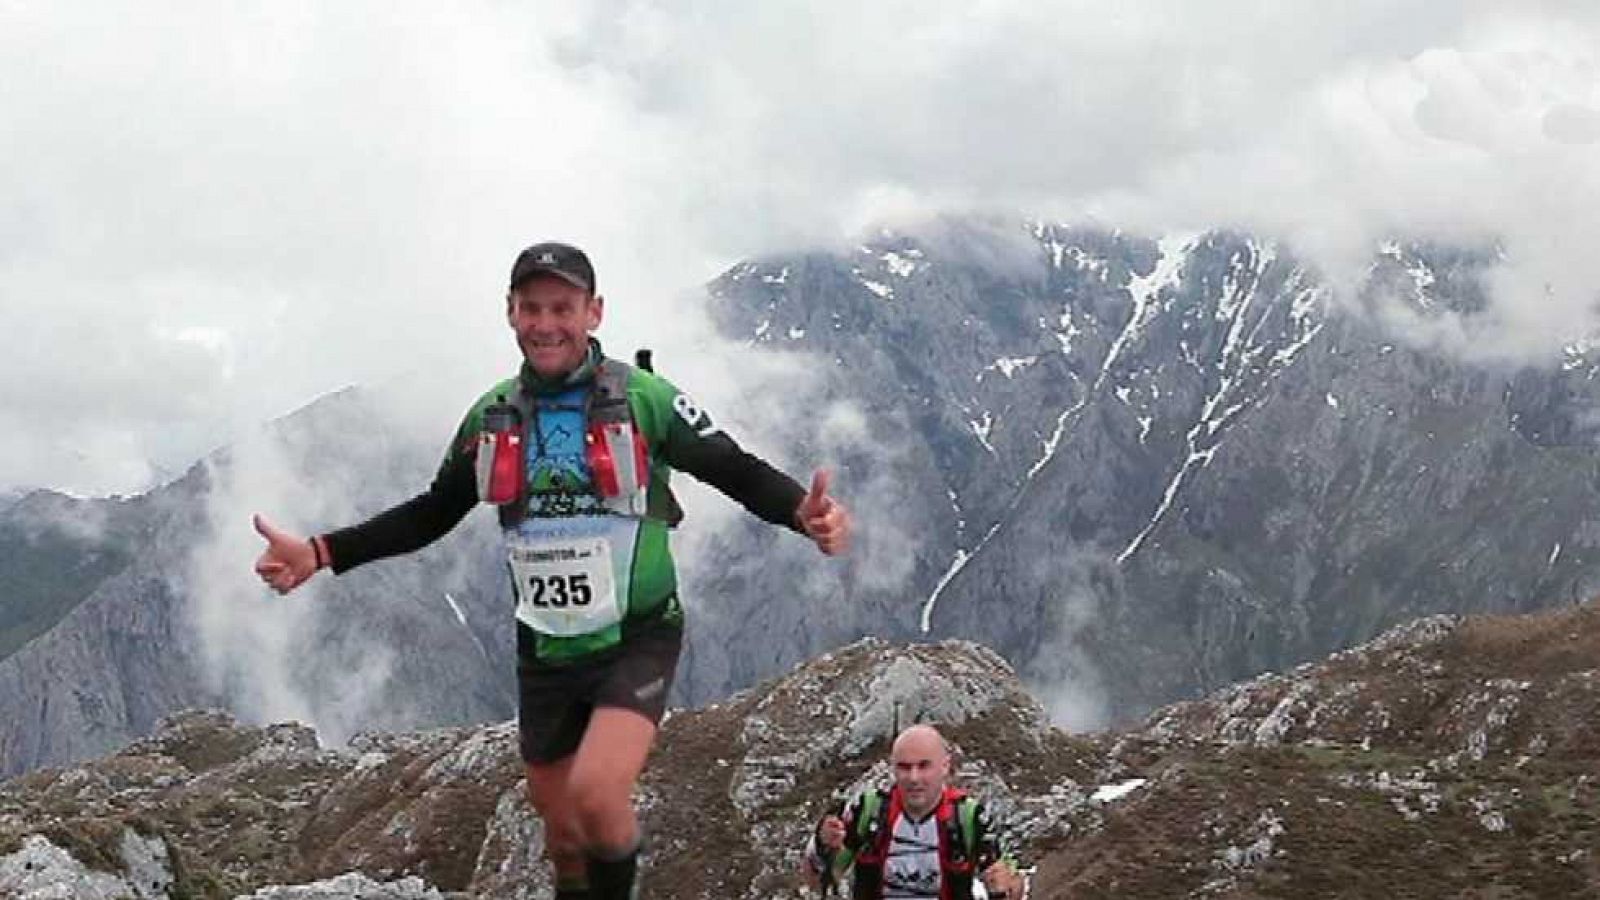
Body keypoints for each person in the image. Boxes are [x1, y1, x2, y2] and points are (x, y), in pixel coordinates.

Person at [253, 241, 852, 900]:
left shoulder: (646, 399)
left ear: (594, 312)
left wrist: (804, 512)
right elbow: (432, 513)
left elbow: (734, 469)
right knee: (562, 829)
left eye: (562, 307)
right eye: (531, 308)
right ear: (510, 313)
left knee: (598, 793)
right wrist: (321, 552)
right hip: (544, 649)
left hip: (638, 637)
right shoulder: (490, 417)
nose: (546, 324)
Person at [804, 724, 1025, 900]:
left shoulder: (968, 817)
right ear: (893, 768)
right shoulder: (870, 810)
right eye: (904, 767)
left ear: (945, 766)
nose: (914, 778)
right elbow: (821, 879)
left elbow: (1012, 882)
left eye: (924, 766)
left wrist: (1005, 886)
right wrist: (822, 844)